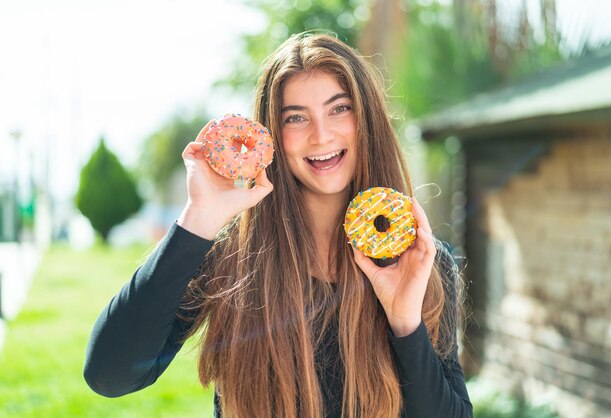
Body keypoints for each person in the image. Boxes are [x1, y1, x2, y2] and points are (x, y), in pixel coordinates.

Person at [83, 32, 473, 418]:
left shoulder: (420, 262)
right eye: (296, 118)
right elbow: (109, 375)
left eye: (340, 109)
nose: (321, 135)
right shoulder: (232, 259)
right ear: (272, 136)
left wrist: (406, 324)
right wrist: (198, 218)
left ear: (366, 119)